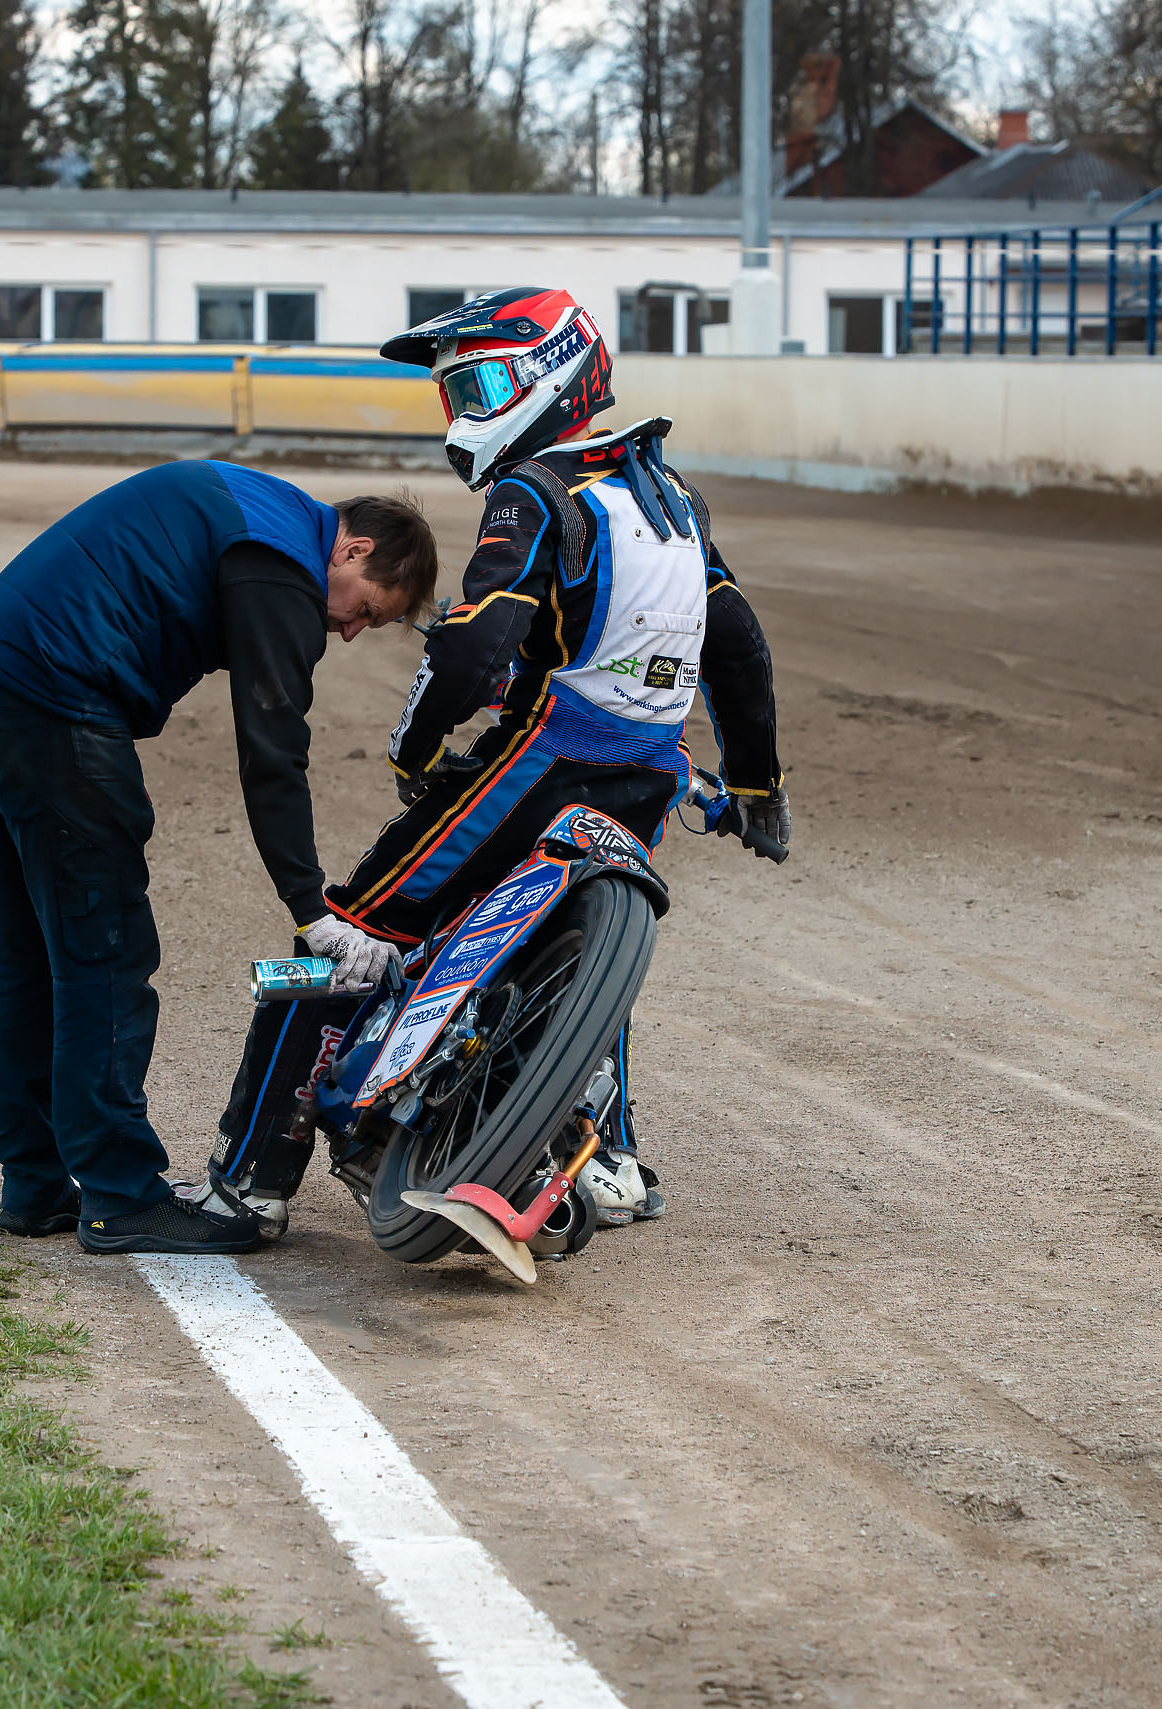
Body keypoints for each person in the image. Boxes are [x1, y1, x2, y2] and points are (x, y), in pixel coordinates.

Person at [204, 287, 792, 1239]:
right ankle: (612, 1159)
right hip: (648, 782)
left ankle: (250, 1177)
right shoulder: (675, 497)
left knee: (351, 936)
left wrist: (417, 747)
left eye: (475, 382)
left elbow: (474, 648)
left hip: (536, 767)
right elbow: (740, 648)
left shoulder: (536, 491)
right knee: (585, 960)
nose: (462, 410)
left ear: (549, 373)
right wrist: (761, 790)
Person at [0, 461, 440, 1256]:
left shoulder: (266, 509)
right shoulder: (283, 563)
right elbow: (273, 745)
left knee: (32, 953)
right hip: (57, 697)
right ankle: (117, 1194)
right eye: (367, 614)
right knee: (105, 954)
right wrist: (312, 910)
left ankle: (35, 1182)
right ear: (353, 550)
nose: (347, 632)